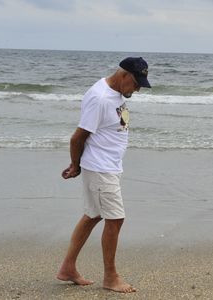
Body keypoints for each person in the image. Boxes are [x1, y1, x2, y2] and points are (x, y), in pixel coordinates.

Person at [56, 57, 151, 293]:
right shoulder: (100, 98)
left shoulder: (116, 92)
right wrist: (75, 165)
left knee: (93, 215)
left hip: (108, 166)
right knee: (115, 218)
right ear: (123, 75)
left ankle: (67, 268)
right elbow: (77, 137)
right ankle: (110, 277)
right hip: (100, 168)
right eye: (136, 83)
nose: (138, 88)